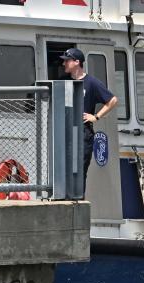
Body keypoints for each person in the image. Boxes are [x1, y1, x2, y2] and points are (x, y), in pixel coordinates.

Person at [59, 48, 118, 191]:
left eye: (67, 61)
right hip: (65, 132)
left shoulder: (91, 82)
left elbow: (113, 100)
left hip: (82, 133)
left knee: (79, 171)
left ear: (77, 62)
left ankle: (78, 204)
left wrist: (96, 116)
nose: (64, 64)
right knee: (63, 170)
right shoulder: (63, 82)